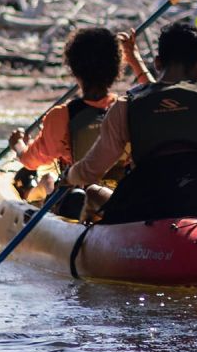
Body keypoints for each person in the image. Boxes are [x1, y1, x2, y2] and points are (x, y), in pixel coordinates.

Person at [57, 20, 197, 223]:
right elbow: (170, 101)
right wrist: (135, 62)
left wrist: (68, 176)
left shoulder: (124, 108)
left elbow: (90, 171)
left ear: (158, 63)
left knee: (93, 191)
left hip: (150, 209)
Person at [8, 26, 128, 217]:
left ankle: (38, 190)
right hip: (121, 198)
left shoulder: (61, 115)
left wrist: (18, 146)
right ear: (118, 67)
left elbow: (31, 161)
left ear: (73, 70)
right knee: (49, 180)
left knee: (47, 181)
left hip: (78, 201)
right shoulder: (129, 108)